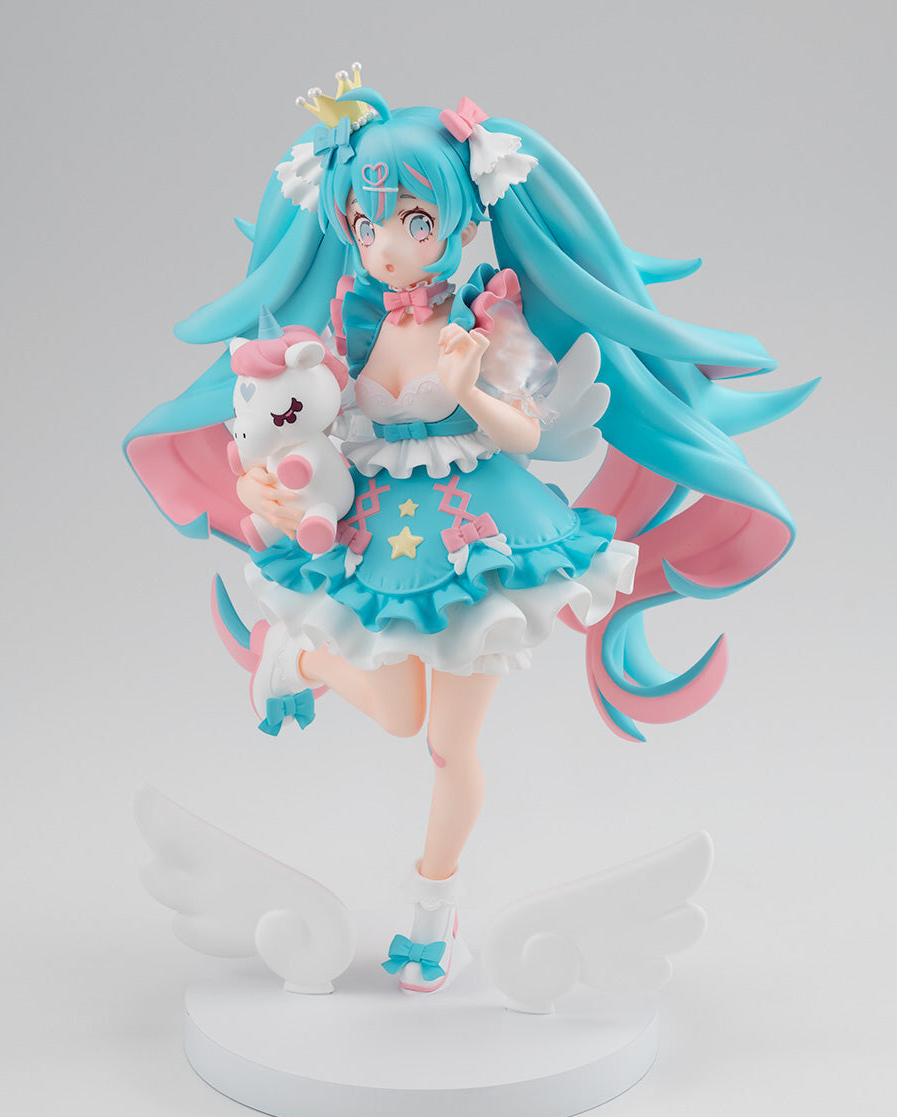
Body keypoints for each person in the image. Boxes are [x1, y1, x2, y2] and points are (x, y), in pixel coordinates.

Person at [124, 67, 816, 993]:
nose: (388, 246)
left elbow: (528, 431)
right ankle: (301, 660)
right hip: (379, 538)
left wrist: (470, 392)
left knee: (450, 745)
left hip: (482, 535)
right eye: (367, 224)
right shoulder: (349, 319)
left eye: (413, 221)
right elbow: (302, 428)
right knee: (400, 715)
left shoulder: (492, 311)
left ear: (458, 217)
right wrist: (266, 482)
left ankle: (430, 913)